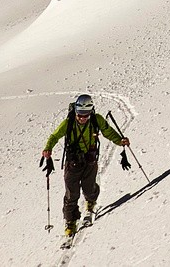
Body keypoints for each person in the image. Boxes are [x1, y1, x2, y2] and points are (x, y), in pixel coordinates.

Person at [39, 93, 129, 236]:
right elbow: (55, 136)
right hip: (72, 163)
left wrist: (120, 141)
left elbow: (108, 132)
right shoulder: (68, 123)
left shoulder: (96, 120)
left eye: (86, 115)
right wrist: (48, 148)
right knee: (71, 194)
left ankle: (91, 203)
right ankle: (70, 222)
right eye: (80, 114)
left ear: (90, 112)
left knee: (89, 188)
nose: (82, 118)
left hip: (90, 160)